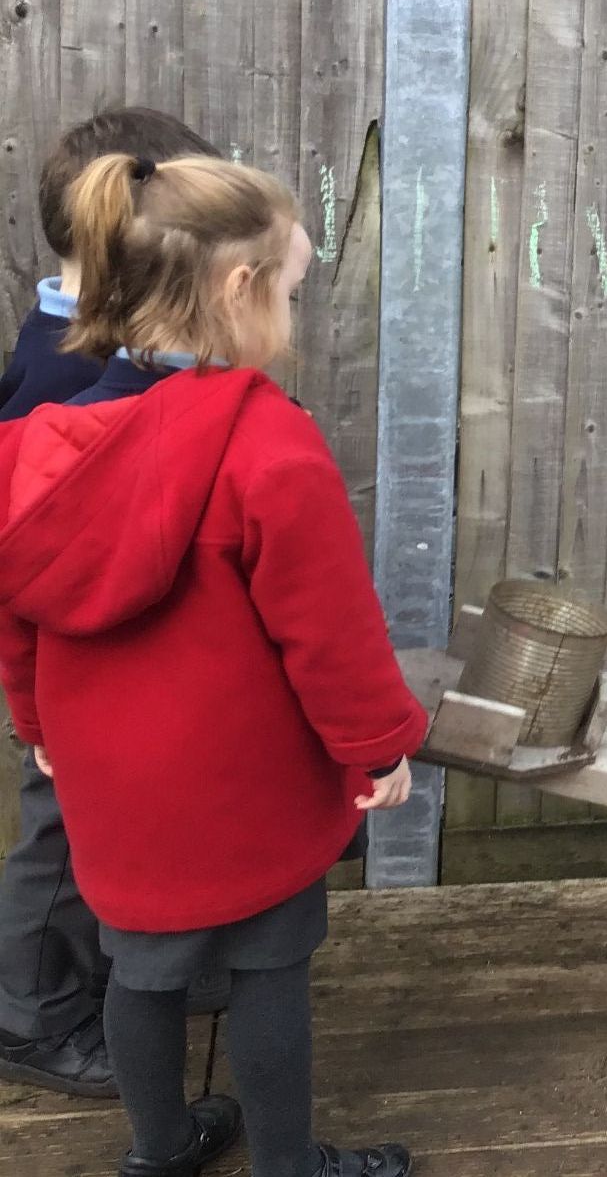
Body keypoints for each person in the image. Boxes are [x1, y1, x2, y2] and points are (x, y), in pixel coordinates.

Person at [0, 152, 432, 1177]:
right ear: (236, 290)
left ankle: (159, 1152)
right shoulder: (267, 447)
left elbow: (15, 613)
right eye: (287, 289)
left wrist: (35, 724)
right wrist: (380, 751)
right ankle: (291, 1168)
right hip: (251, 786)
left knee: (137, 971)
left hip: (111, 784)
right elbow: (332, 637)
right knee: (269, 971)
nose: (290, 311)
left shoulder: (33, 446)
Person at [0, 109, 222, 1101]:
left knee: (99, 828)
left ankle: (101, 988)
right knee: (58, 834)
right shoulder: (67, 370)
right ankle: (30, 1018)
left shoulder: (98, 343)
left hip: (101, 653)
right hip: (60, 656)